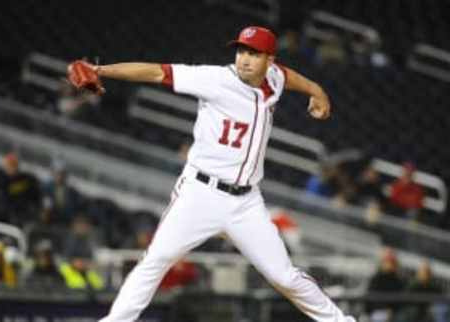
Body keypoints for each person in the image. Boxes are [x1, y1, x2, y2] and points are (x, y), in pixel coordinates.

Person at [68, 26, 355, 322]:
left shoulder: (274, 77)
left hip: (246, 202)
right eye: (241, 50)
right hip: (201, 193)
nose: (244, 59)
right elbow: (157, 72)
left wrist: (316, 90)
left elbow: (288, 76)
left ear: (269, 60)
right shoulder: (215, 79)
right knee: (156, 260)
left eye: (253, 53)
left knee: (284, 276)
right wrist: (101, 70)